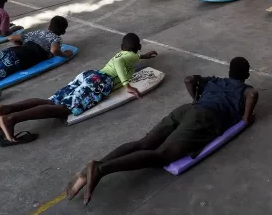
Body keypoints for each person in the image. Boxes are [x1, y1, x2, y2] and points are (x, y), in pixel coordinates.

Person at [65, 57, 258, 205]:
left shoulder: (217, 80)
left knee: (144, 143)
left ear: (229, 71)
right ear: (246, 74)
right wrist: (246, 118)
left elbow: (189, 79)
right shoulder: (244, 89)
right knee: (162, 155)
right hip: (205, 118)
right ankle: (100, 169)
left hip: (186, 110)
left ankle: (89, 170)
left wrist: (195, 99)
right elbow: (253, 94)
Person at [0, 33, 158, 146]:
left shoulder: (124, 54)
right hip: (99, 83)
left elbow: (128, 58)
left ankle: (5, 109)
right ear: (139, 47)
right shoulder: (129, 57)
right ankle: (11, 119)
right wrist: (127, 85)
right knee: (63, 109)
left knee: (52, 101)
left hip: (90, 75)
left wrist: (144, 56)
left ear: (122, 47)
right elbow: (123, 63)